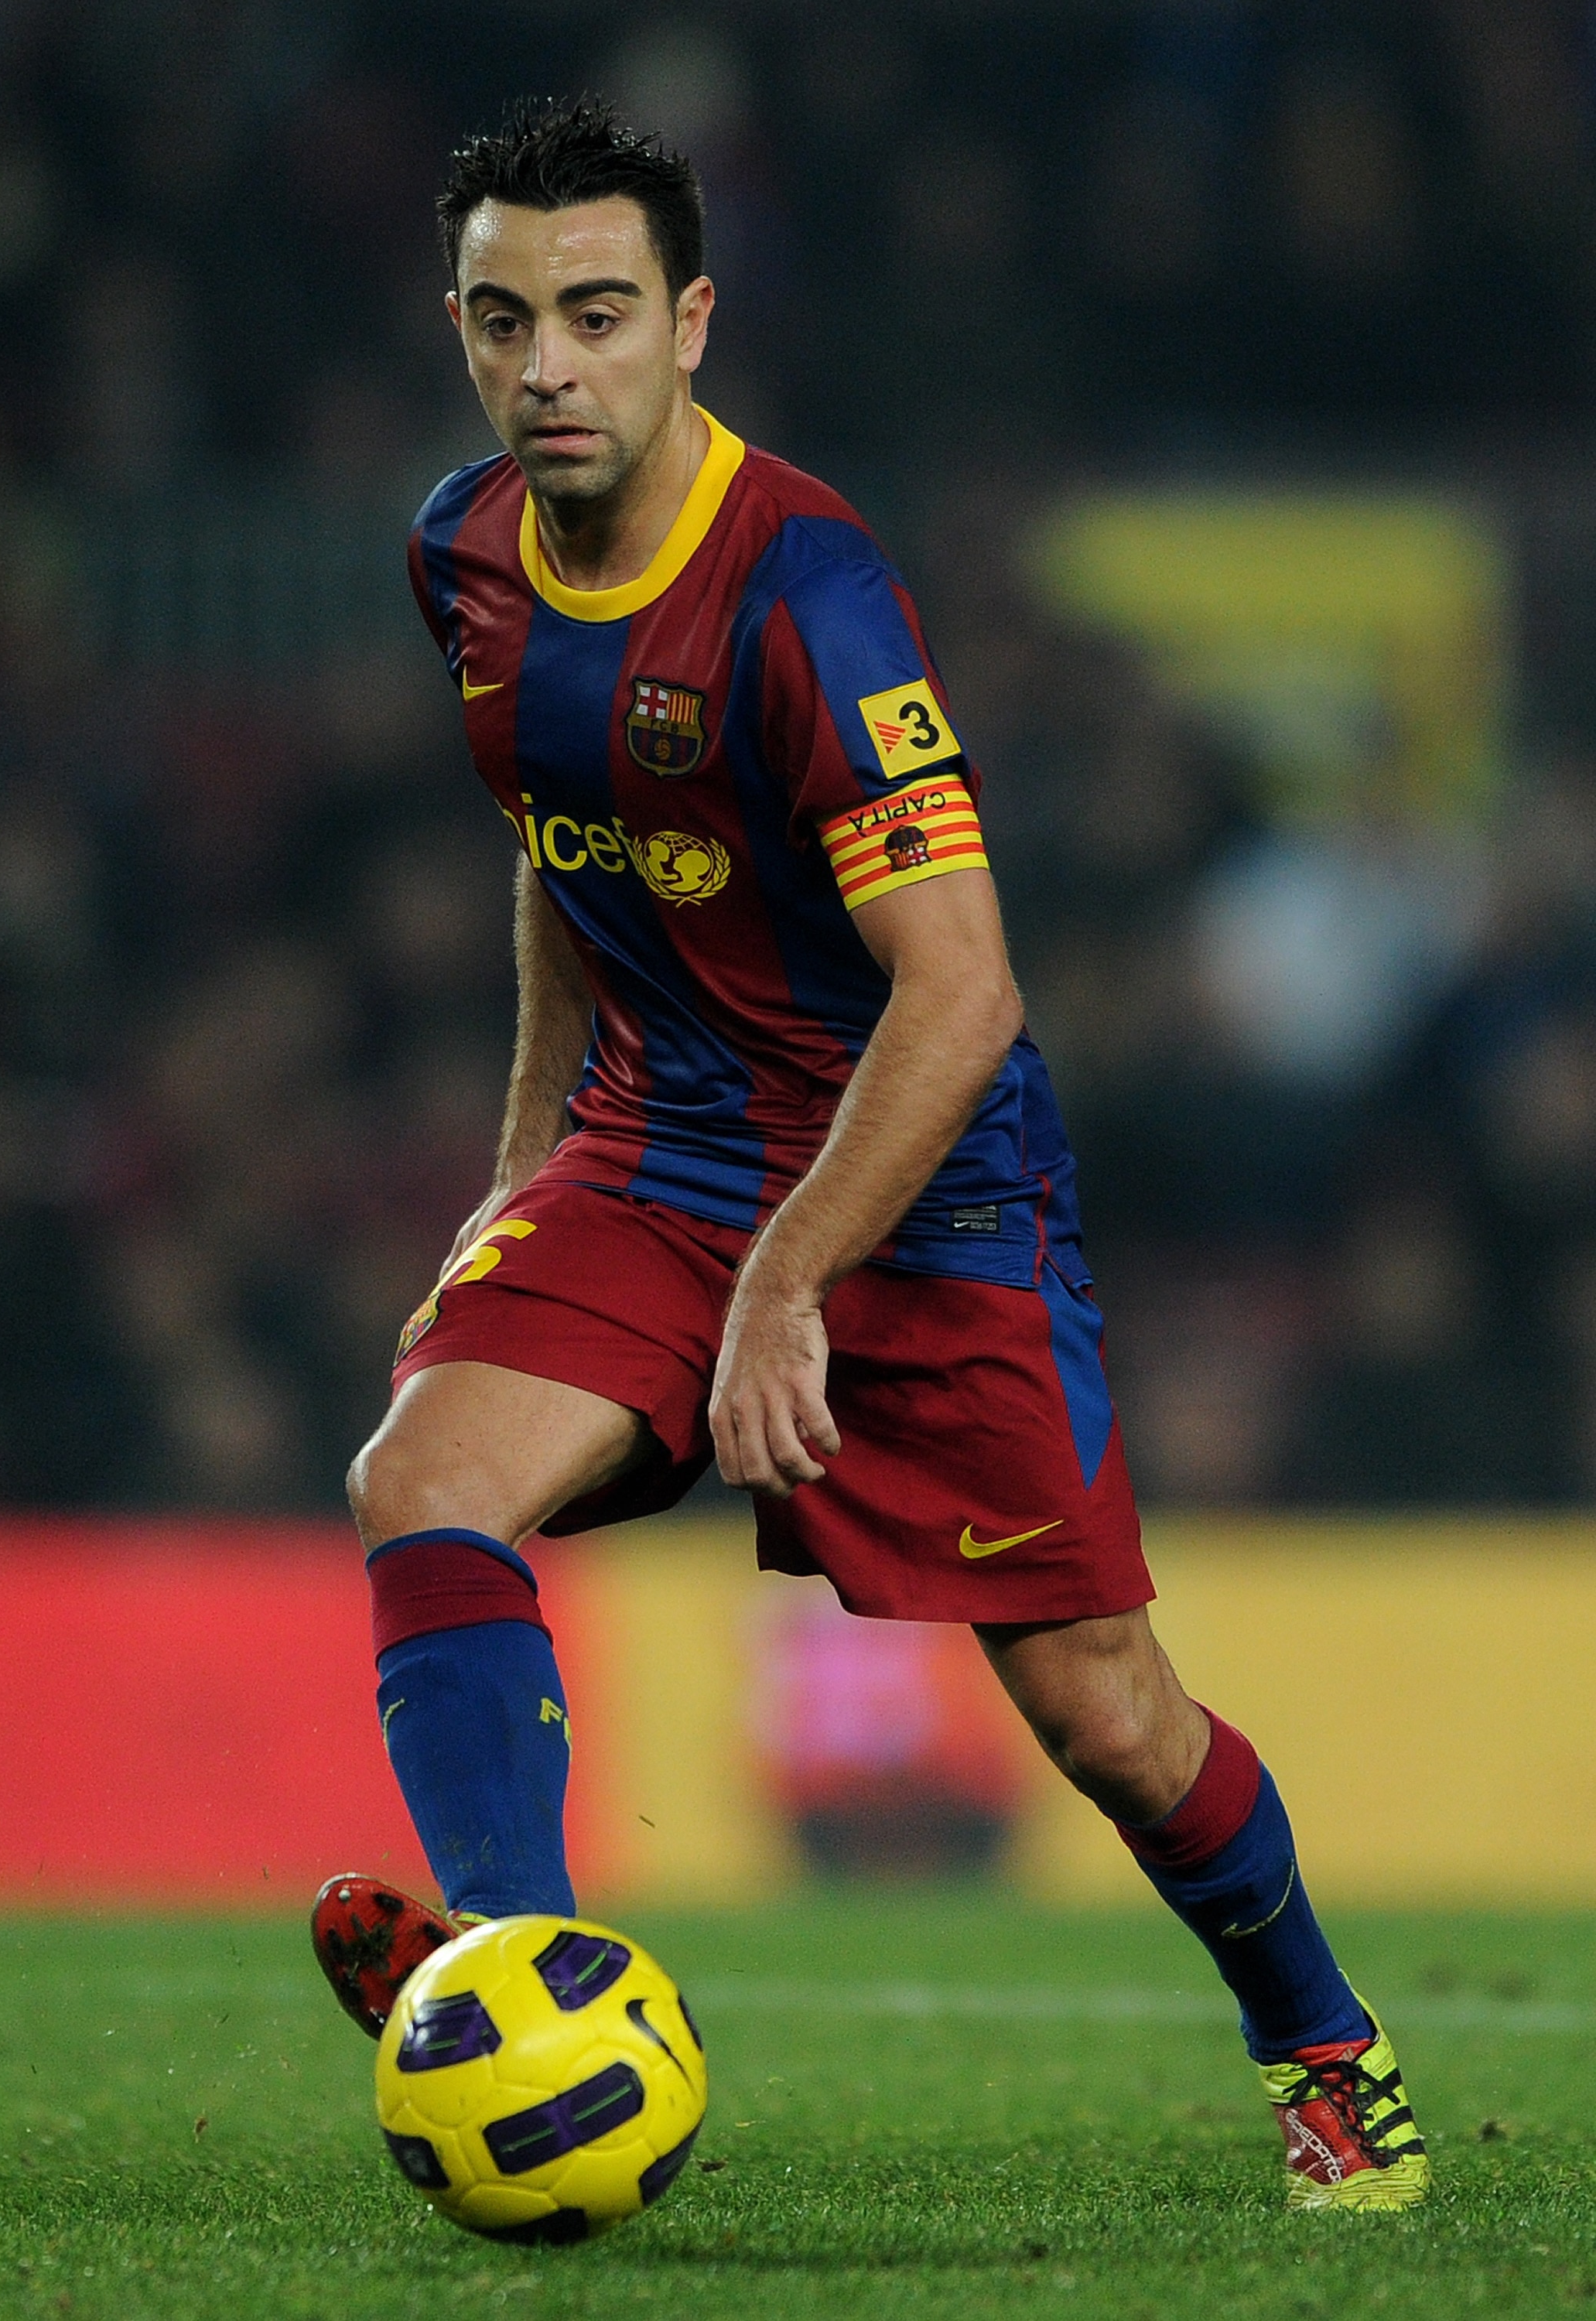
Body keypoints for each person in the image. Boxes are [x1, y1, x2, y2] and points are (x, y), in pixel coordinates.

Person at [312, 97, 1427, 2213]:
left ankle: (1324, 2045)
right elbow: (566, 853)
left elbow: (964, 994)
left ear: (692, 323)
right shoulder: (460, 548)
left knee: (1102, 1712)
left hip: (920, 1176)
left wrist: (783, 1280)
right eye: (501, 318)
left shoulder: (807, 593)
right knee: (421, 1483)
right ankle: (514, 1969)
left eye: (599, 313)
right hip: (660, 1147)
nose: (548, 363)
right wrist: (519, 1165)